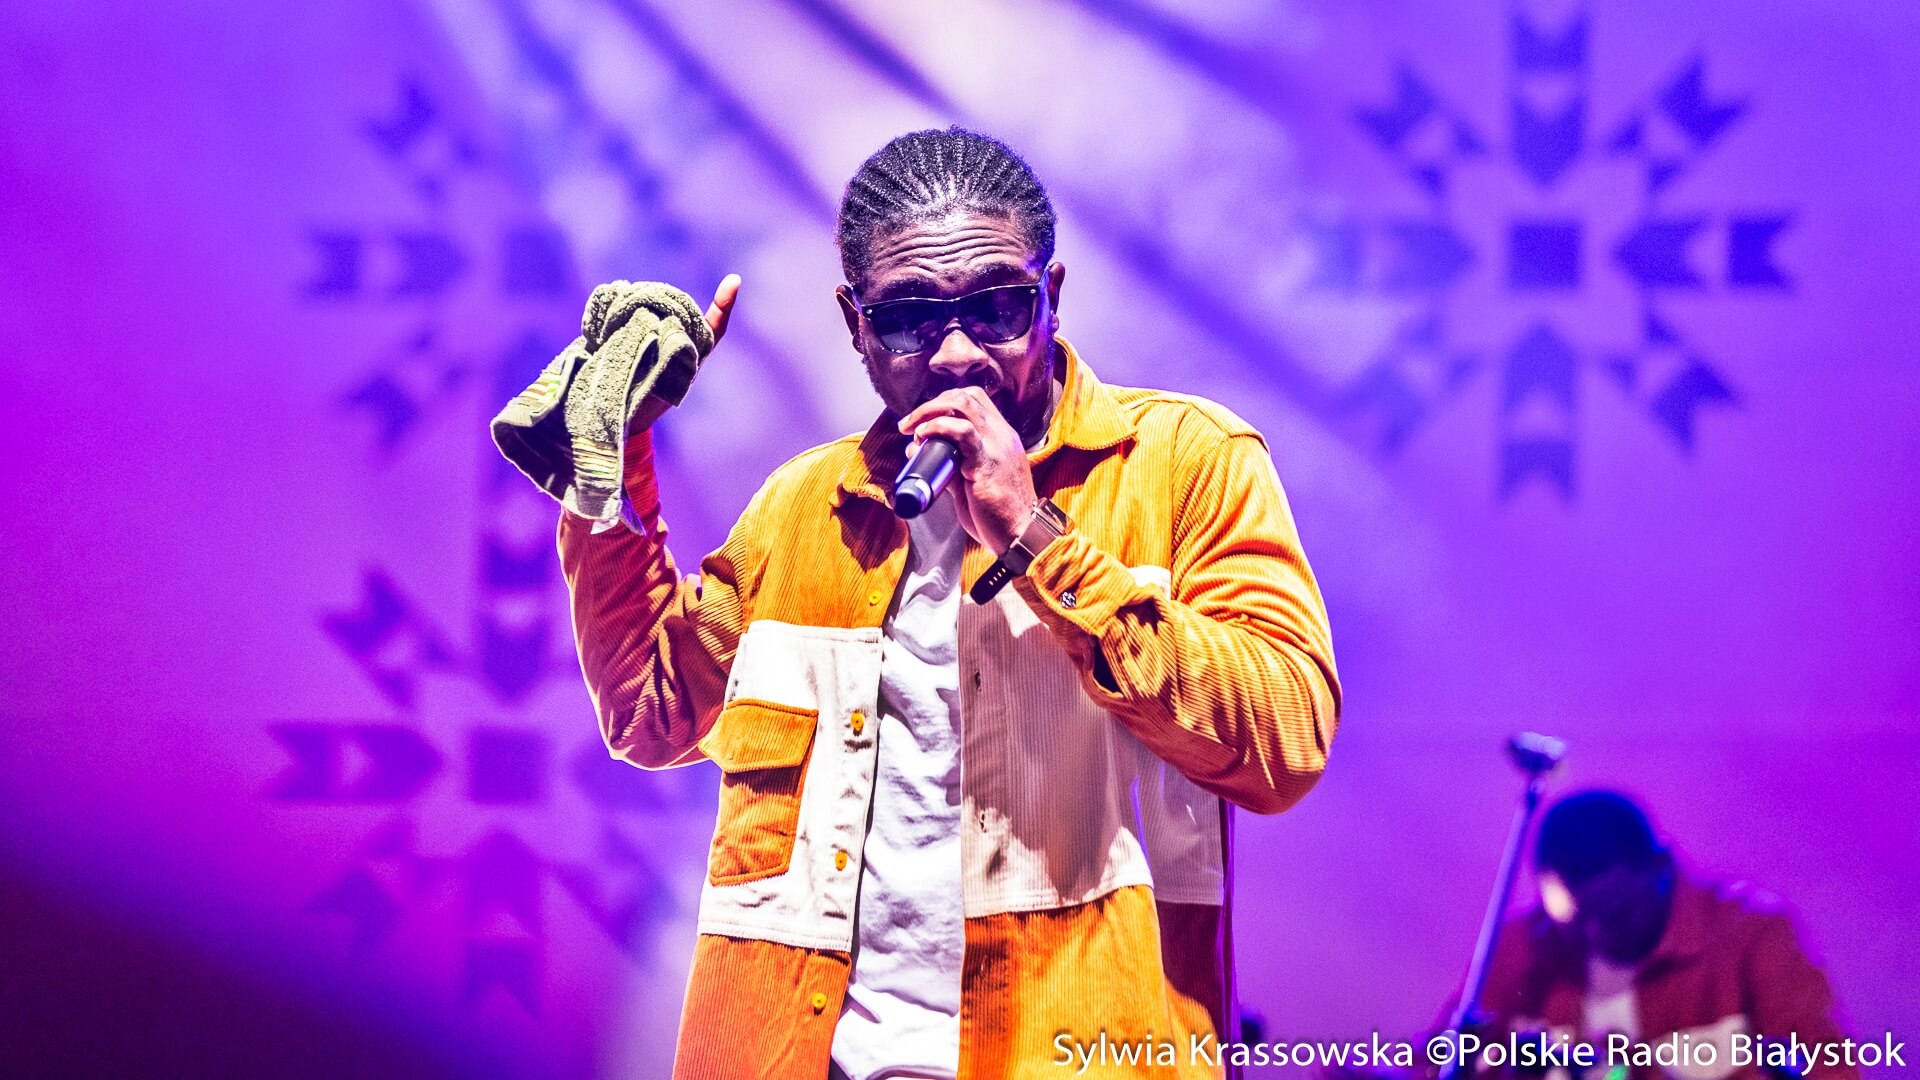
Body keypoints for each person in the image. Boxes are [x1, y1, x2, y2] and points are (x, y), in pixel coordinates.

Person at [532, 127, 1341, 1079]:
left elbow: (1285, 745)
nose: (958, 354)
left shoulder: (1186, 464)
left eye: (997, 307)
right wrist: (610, 462)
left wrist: (1037, 537)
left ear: (1051, 296)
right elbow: (651, 712)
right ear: (856, 325)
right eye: (911, 318)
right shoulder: (804, 509)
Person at [1337, 791, 1861, 1080]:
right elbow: (1442, 1063)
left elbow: (1830, 1069)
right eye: (1574, 922)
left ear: (1661, 869)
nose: (1595, 935)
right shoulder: (1525, 944)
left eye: (1618, 913)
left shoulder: (1751, 933)